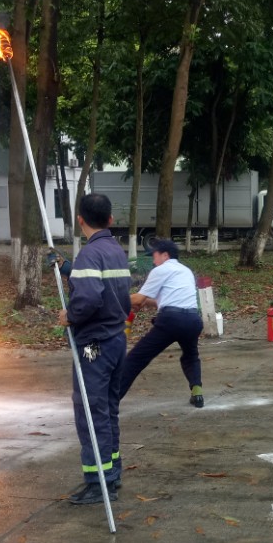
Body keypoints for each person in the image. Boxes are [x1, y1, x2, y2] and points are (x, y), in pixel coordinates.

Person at [57, 193, 132, 505]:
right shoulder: (116, 251)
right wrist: (67, 269)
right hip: (116, 341)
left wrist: (70, 315)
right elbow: (105, 287)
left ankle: (99, 481)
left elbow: (88, 297)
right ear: (110, 220)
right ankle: (112, 470)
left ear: (80, 220)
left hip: (93, 347)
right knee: (108, 408)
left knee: (90, 410)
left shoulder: (90, 254)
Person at [119, 239, 205, 408]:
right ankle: (197, 392)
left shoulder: (161, 270)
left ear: (165, 255)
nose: (153, 260)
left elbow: (138, 299)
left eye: (155, 256)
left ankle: (110, 400)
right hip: (193, 320)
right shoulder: (186, 271)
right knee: (191, 355)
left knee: (136, 358)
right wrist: (144, 302)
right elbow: (163, 301)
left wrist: (115, 300)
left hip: (171, 321)